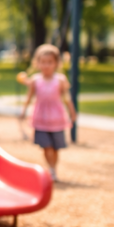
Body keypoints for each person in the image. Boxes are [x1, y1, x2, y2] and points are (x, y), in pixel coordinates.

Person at [18, 44, 76, 181]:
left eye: (50, 62)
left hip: (57, 119)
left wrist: (72, 112)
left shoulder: (60, 80)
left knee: (55, 148)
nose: (46, 65)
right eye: (43, 62)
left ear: (56, 63)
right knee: (47, 146)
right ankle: (51, 170)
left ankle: (53, 168)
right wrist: (24, 111)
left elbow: (67, 98)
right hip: (40, 119)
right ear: (37, 63)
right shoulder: (35, 80)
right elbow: (29, 97)